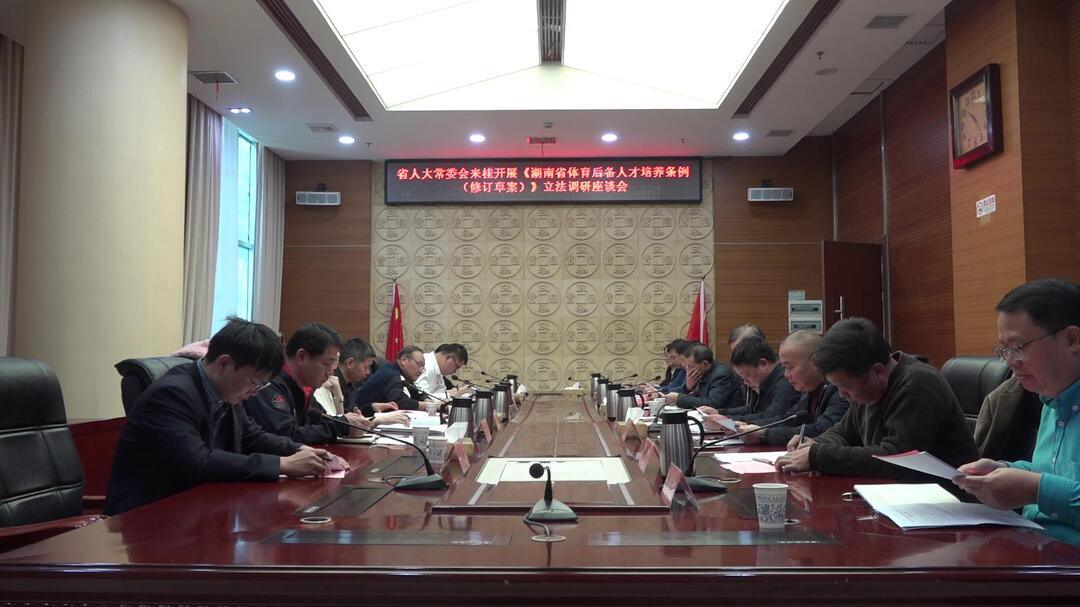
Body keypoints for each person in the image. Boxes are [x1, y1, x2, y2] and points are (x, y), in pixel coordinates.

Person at [105, 318, 342, 515]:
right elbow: (199, 462)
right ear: (224, 364)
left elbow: (251, 436)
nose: (254, 392)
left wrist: (299, 449)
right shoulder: (171, 395)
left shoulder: (226, 391)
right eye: (254, 382)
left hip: (201, 509)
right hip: (150, 517)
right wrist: (283, 464)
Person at [955, 279, 1080, 544]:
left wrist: (1035, 489)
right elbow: (1058, 473)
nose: (1011, 362)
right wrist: (1003, 469)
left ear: (1071, 339)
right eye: (1004, 349)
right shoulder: (1051, 397)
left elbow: (1045, 485)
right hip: (1032, 544)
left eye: (1019, 347)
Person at [774, 318, 977, 481]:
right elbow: (843, 432)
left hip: (950, 502)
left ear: (878, 372)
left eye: (845, 387)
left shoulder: (918, 385)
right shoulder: (864, 387)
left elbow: (898, 459)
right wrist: (814, 444)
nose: (842, 394)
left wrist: (818, 456)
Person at [244, 324, 388, 445]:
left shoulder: (302, 385)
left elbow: (317, 419)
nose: (330, 373)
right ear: (302, 356)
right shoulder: (268, 383)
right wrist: (340, 426)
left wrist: (348, 422)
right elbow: (284, 435)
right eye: (327, 363)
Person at [734, 330, 849, 446]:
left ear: (815, 362)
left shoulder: (840, 388)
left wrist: (765, 434)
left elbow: (823, 429)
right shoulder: (808, 389)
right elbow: (788, 419)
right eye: (784, 368)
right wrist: (750, 425)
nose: (785, 374)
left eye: (790, 367)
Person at [704, 336, 800, 428]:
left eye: (747, 376)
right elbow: (752, 409)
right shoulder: (764, 380)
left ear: (763, 364)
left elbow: (771, 417)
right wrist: (720, 413)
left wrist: (726, 422)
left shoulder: (786, 382)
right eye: (742, 378)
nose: (745, 382)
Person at [312, 338, 398, 415]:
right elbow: (336, 421)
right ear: (350, 363)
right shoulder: (327, 384)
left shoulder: (352, 384)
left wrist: (372, 407)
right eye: (365, 367)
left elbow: (352, 411)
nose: (368, 372)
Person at [350, 345, 431, 416]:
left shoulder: (400, 373)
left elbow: (416, 392)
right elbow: (400, 402)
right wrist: (428, 406)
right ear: (404, 360)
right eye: (419, 364)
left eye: (423, 367)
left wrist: (426, 400)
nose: (421, 370)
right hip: (363, 417)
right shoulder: (392, 375)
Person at [663, 343, 741, 410]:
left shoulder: (721, 374)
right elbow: (695, 397)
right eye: (686, 365)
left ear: (705, 364)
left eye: (690, 366)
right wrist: (688, 388)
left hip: (728, 417)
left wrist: (679, 398)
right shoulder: (700, 372)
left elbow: (713, 403)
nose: (687, 369)